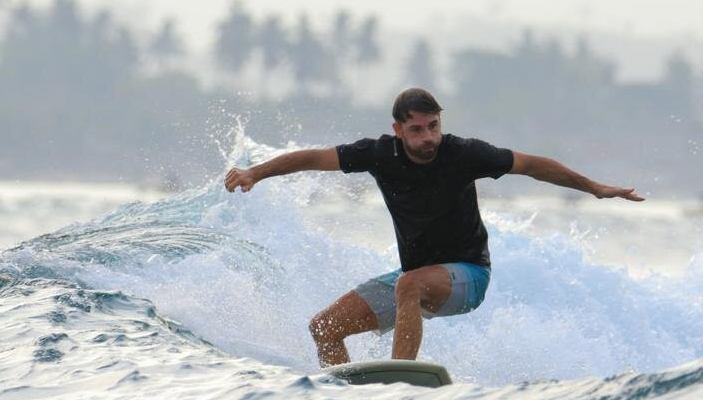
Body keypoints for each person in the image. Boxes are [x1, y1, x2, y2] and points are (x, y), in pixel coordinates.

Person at [224, 88, 644, 367]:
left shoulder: (464, 154)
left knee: (409, 284)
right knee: (324, 329)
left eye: (433, 127)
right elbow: (313, 159)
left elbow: (532, 165)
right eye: (416, 130)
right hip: (415, 280)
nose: (428, 138)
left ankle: (401, 382)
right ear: (398, 130)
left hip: (469, 275)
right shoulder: (378, 154)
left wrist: (592, 187)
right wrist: (256, 173)